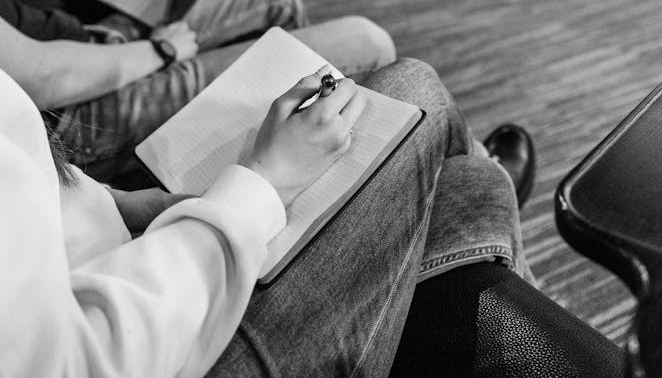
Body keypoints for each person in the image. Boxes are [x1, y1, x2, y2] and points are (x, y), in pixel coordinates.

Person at [0, 55, 535, 378]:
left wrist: (111, 201)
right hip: (167, 352)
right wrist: (266, 178)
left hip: (127, 282)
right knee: (419, 93)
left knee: (476, 188)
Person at [0, 0, 397, 183]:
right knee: (368, 41)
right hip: (68, 111)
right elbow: (44, 77)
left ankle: (311, 145)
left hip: (84, 38)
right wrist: (161, 52)